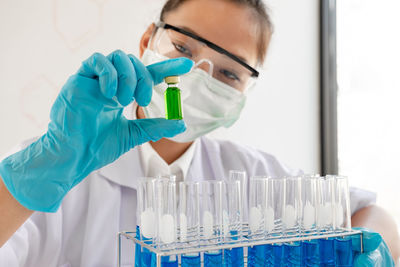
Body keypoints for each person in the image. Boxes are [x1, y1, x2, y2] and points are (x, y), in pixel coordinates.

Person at [0, 0, 399, 266]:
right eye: (184, 49)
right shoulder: (56, 166)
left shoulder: (250, 176)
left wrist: (372, 250)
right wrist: (48, 165)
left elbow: (369, 212)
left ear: (246, 91)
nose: (197, 77)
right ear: (147, 41)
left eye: (229, 72)